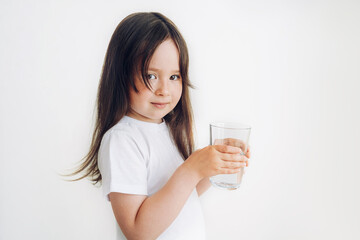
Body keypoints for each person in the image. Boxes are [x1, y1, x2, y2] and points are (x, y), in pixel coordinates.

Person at [70, 12, 251, 240]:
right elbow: (138, 232)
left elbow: (181, 197)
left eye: (174, 77)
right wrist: (191, 168)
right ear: (121, 75)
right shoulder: (122, 139)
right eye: (151, 75)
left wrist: (213, 166)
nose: (164, 89)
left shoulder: (167, 129)